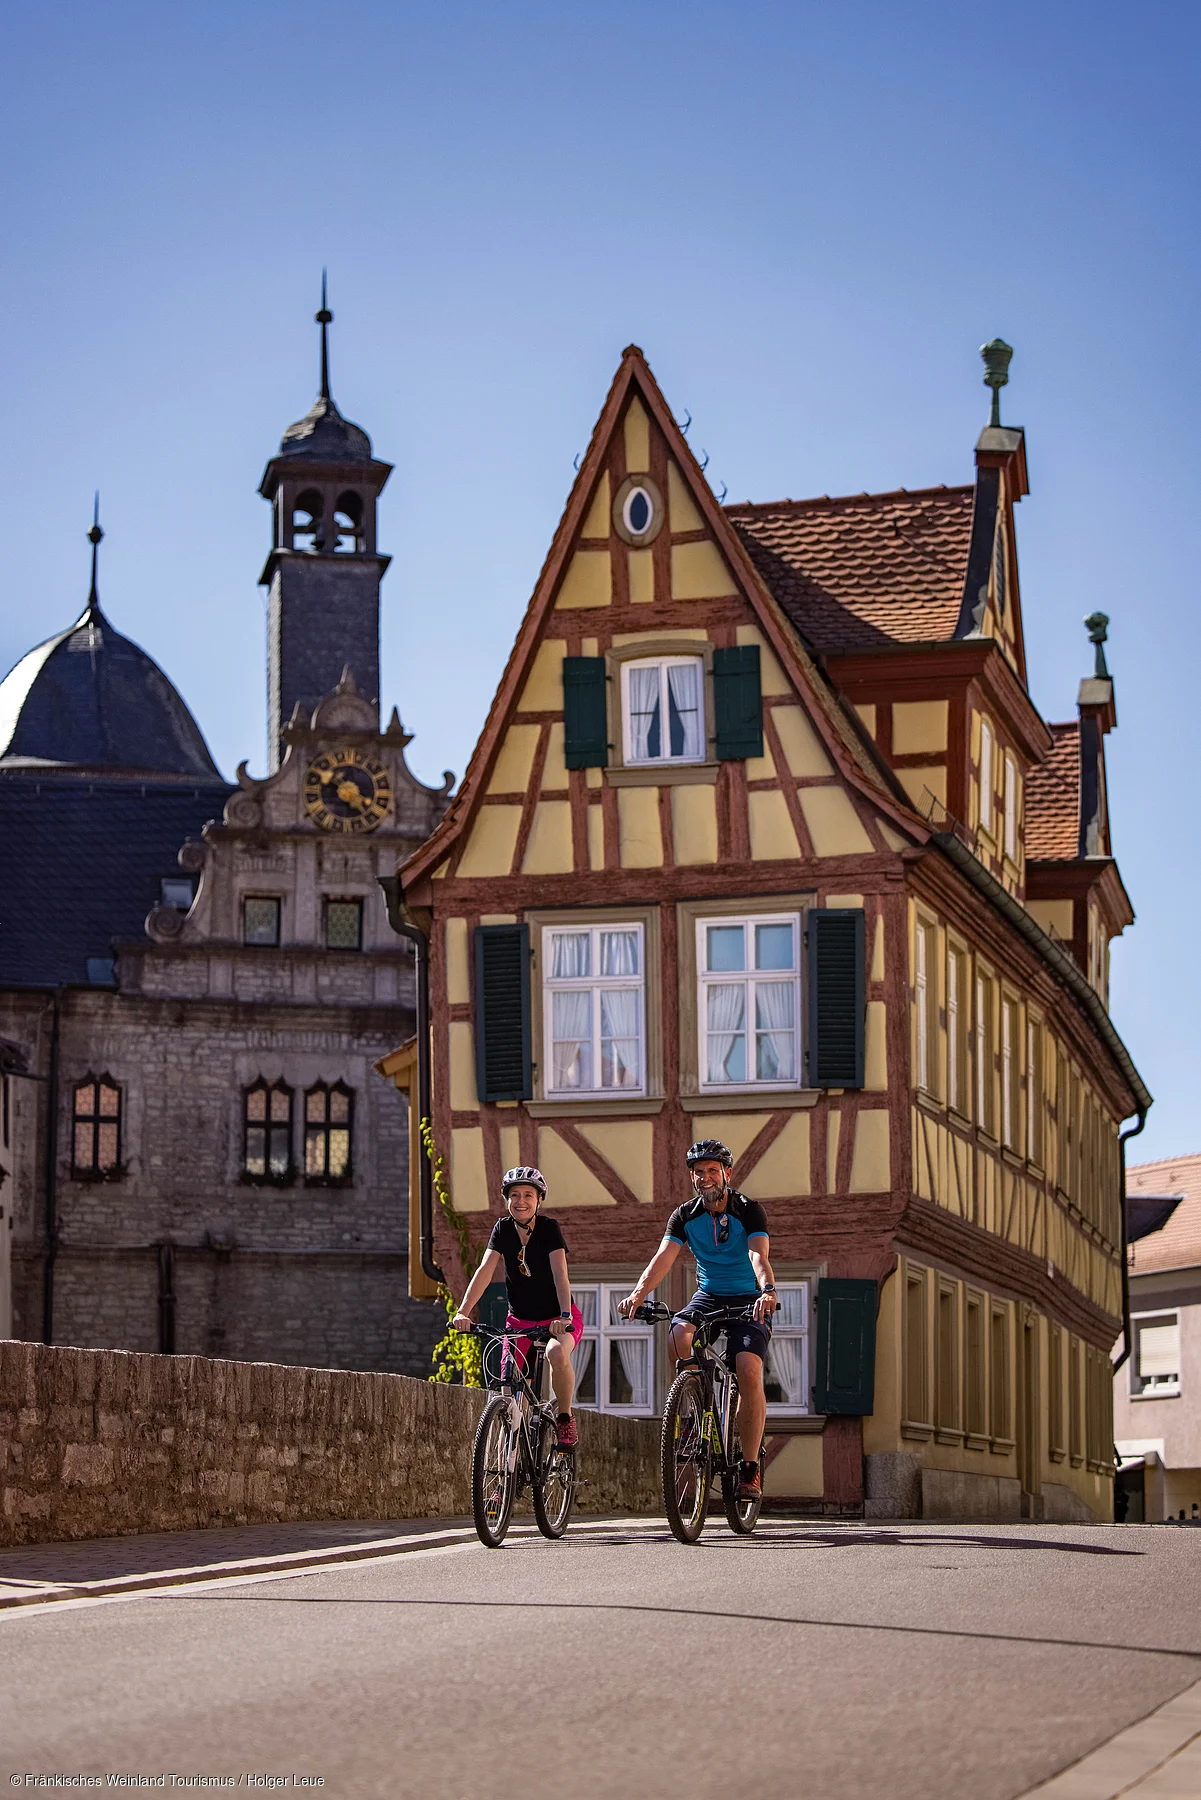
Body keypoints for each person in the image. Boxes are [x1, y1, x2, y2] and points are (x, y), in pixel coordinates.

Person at [619, 1139, 778, 1498]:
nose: (705, 1177)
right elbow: (663, 1257)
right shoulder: (685, 1215)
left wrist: (767, 1290)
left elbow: (758, 1255)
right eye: (698, 1172)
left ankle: (749, 1467)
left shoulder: (748, 1210)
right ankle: (694, 1409)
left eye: (712, 1171)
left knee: (748, 1368)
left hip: (749, 1297)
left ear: (727, 1174)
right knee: (678, 1335)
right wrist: (638, 1295)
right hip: (708, 1296)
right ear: (692, 1177)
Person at [453, 1166, 583, 1448]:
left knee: (556, 1352)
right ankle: (508, 1462)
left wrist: (564, 1316)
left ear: (539, 1200)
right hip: (519, 1322)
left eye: (528, 1195)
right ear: (507, 1199)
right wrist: (463, 1311)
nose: (520, 1201)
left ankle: (564, 1417)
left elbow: (560, 1274)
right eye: (514, 1195)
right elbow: (485, 1271)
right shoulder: (502, 1229)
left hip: (557, 1318)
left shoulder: (549, 1229)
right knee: (508, 1387)